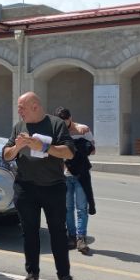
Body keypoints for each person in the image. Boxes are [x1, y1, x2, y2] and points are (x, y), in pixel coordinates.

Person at [3, 92, 83, 280]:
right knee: (29, 232)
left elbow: (69, 152)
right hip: (26, 188)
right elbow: (6, 155)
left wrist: (44, 147)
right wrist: (17, 147)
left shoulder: (56, 124)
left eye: (22, 107)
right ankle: (32, 275)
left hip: (53, 187)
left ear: (35, 106)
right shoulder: (19, 127)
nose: (19, 111)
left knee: (58, 233)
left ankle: (64, 277)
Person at [54, 107, 96, 255]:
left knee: (82, 207)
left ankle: (81, 238)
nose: (63, 125)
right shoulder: (56, 132)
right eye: (60, 122)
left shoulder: (83, 129)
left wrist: (78, 146)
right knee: (67, 208)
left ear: (70, 118)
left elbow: (93, 149)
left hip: (80, 174)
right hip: (64, 175)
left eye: (65, 122)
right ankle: (71, 236)